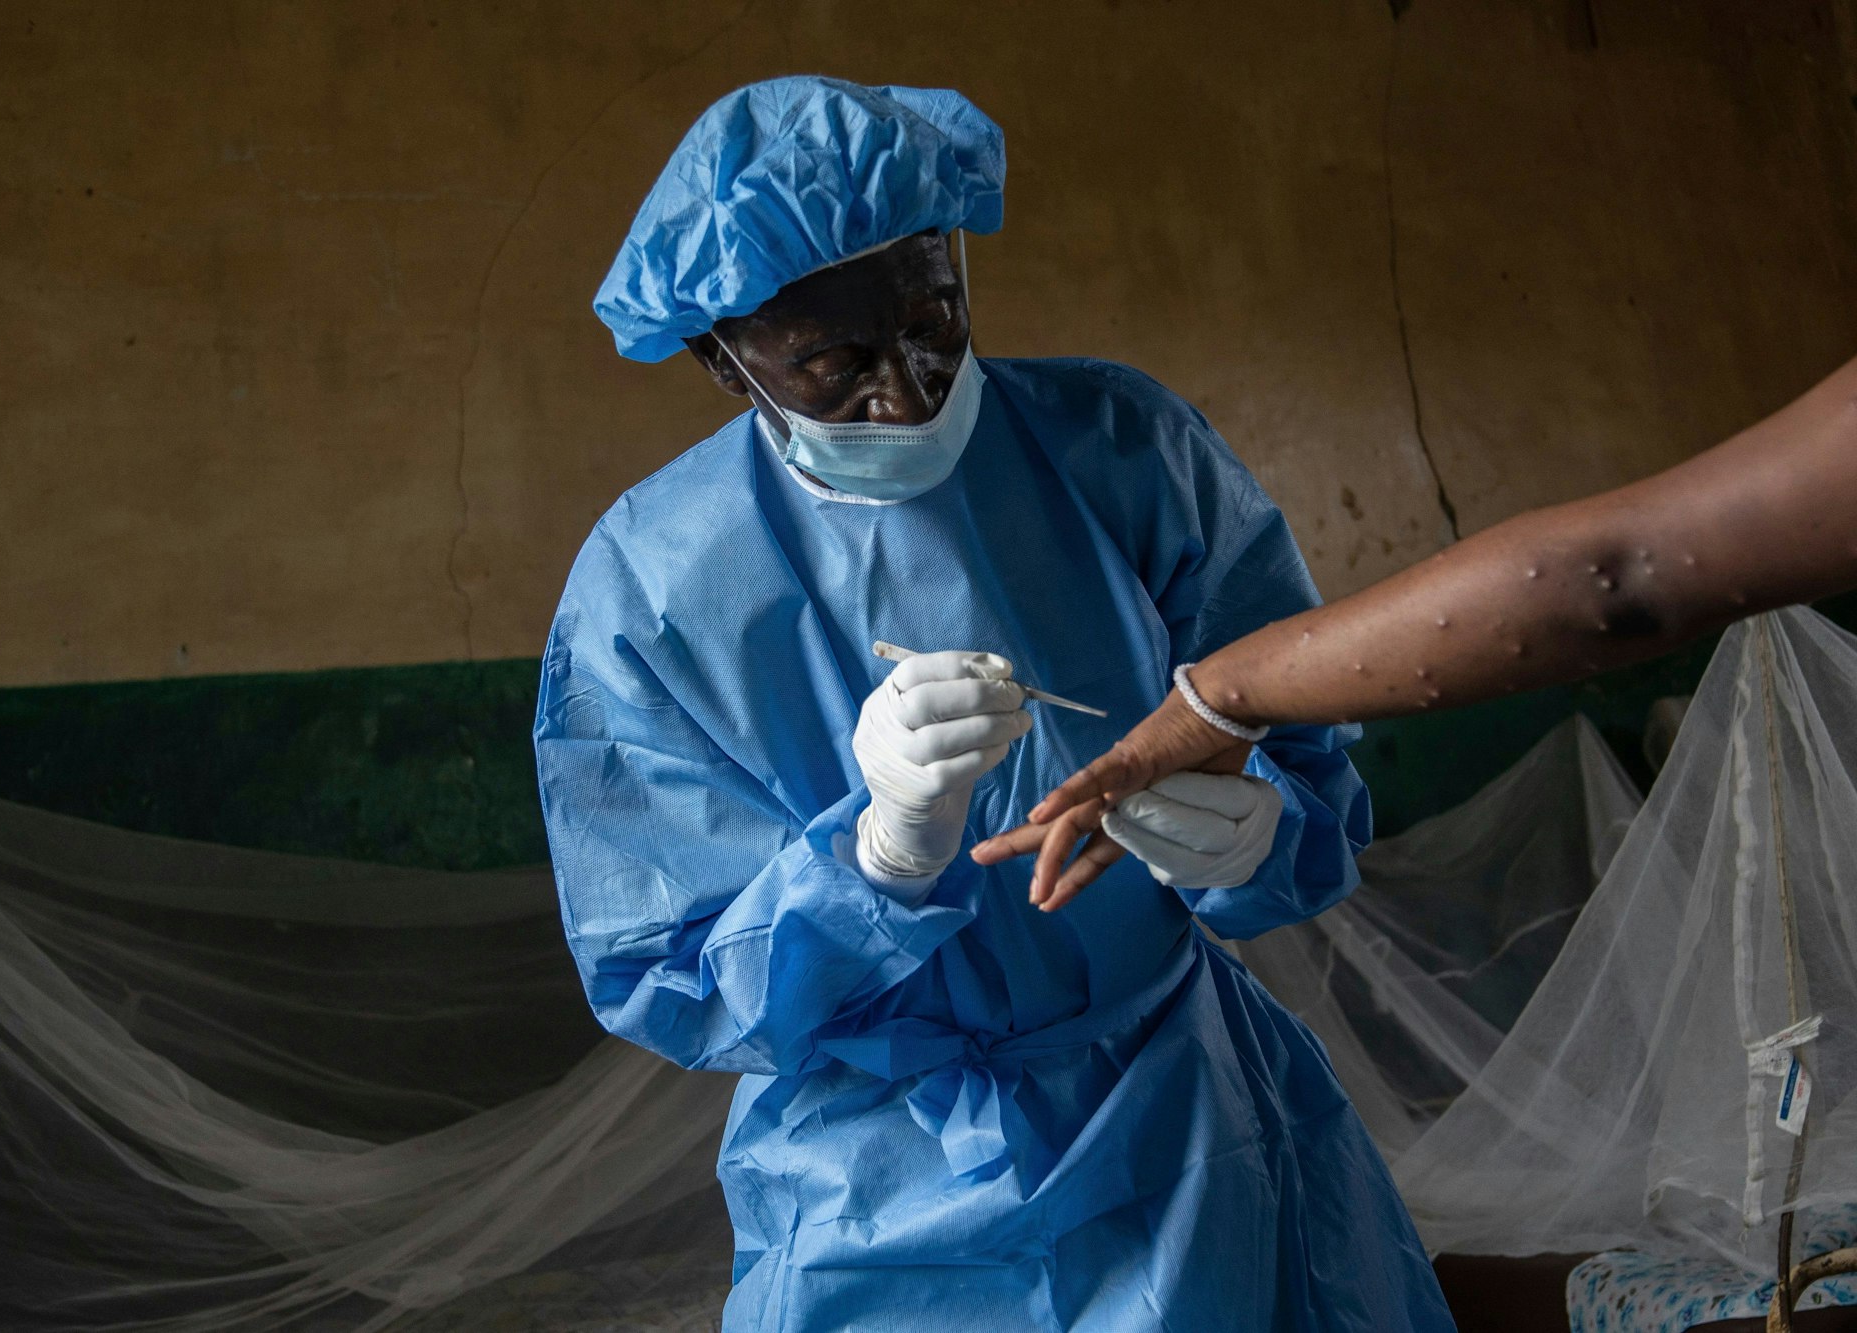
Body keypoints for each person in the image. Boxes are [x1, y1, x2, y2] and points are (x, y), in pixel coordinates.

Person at [536, 76, 1455, 1330]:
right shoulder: (652, 586)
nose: (907, 397)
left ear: (955, 259)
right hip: (875, 1175)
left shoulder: (1125, 450)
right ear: (720, 358)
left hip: (1175, 1121)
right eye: (832, 366)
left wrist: (1253, 831)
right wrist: (875, 858)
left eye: (933, 325)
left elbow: (1298, 761)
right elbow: (667, 973)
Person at [975, 352, 1857, 911]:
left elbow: (1619, 577)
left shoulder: (1129, 440)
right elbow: (1618, 574)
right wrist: (1217, 700)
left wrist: (1218, 699)